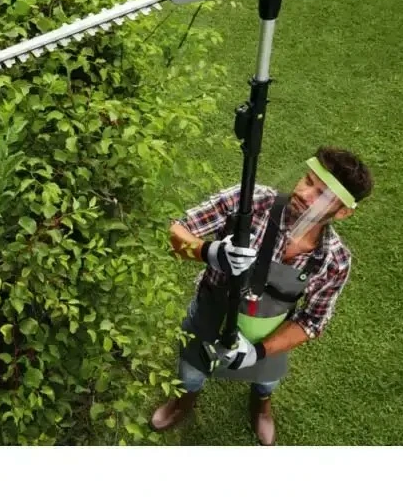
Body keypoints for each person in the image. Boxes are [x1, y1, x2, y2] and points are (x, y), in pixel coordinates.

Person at [151, 146, 373, 444]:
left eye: (321, 195)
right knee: (192, 368)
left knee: (266, 379)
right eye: (308, 180)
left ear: (343, 212)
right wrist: (210, 251)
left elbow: (312, 321)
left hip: (268, 334)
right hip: (210, 313)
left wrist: (258, 352)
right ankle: (183, 401)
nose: (304, 193)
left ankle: (261, 406)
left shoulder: (334, 259)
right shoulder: (251, 202)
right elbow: (175, 231)